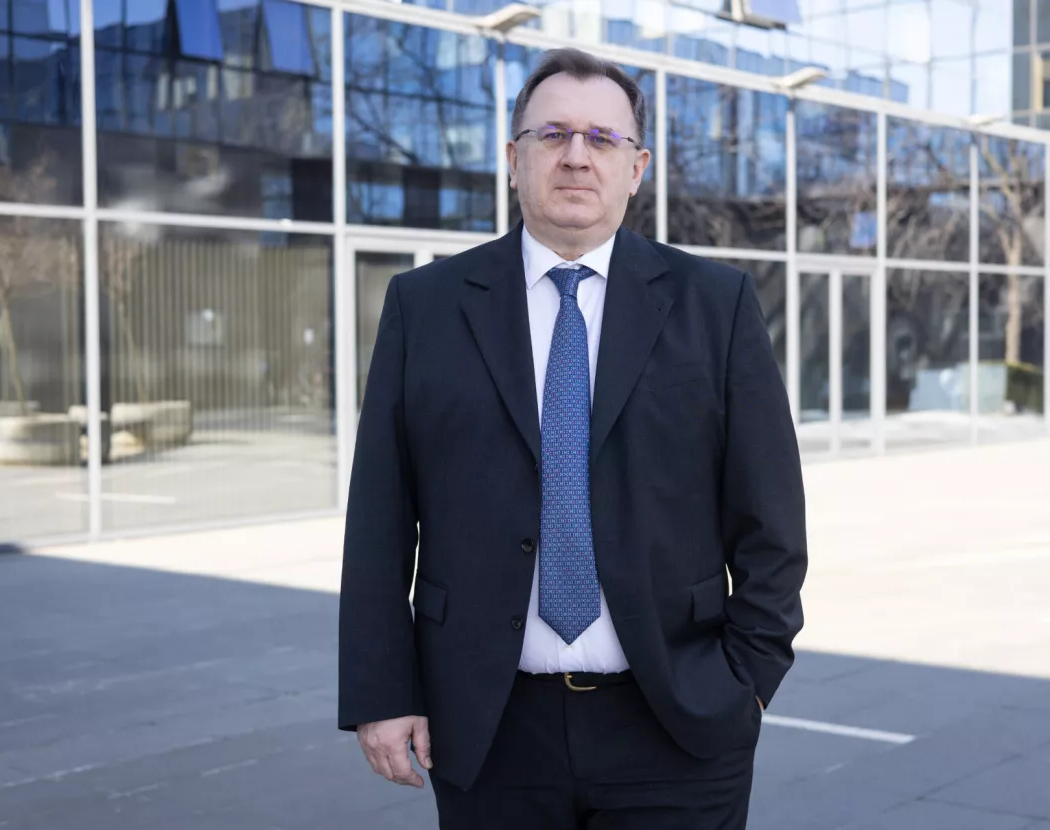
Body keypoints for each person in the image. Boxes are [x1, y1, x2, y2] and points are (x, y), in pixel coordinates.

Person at [337, 47, 807, 830]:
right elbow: (380, 519)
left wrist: (747, 680)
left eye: (603, 138)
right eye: (553, 134)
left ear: (637, 167)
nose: (577, 156)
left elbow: (770, 517)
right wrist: (381, 691)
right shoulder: (425, 306)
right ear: (513, 158)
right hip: (486, 726)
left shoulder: (715, 304)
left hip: (677, 725)